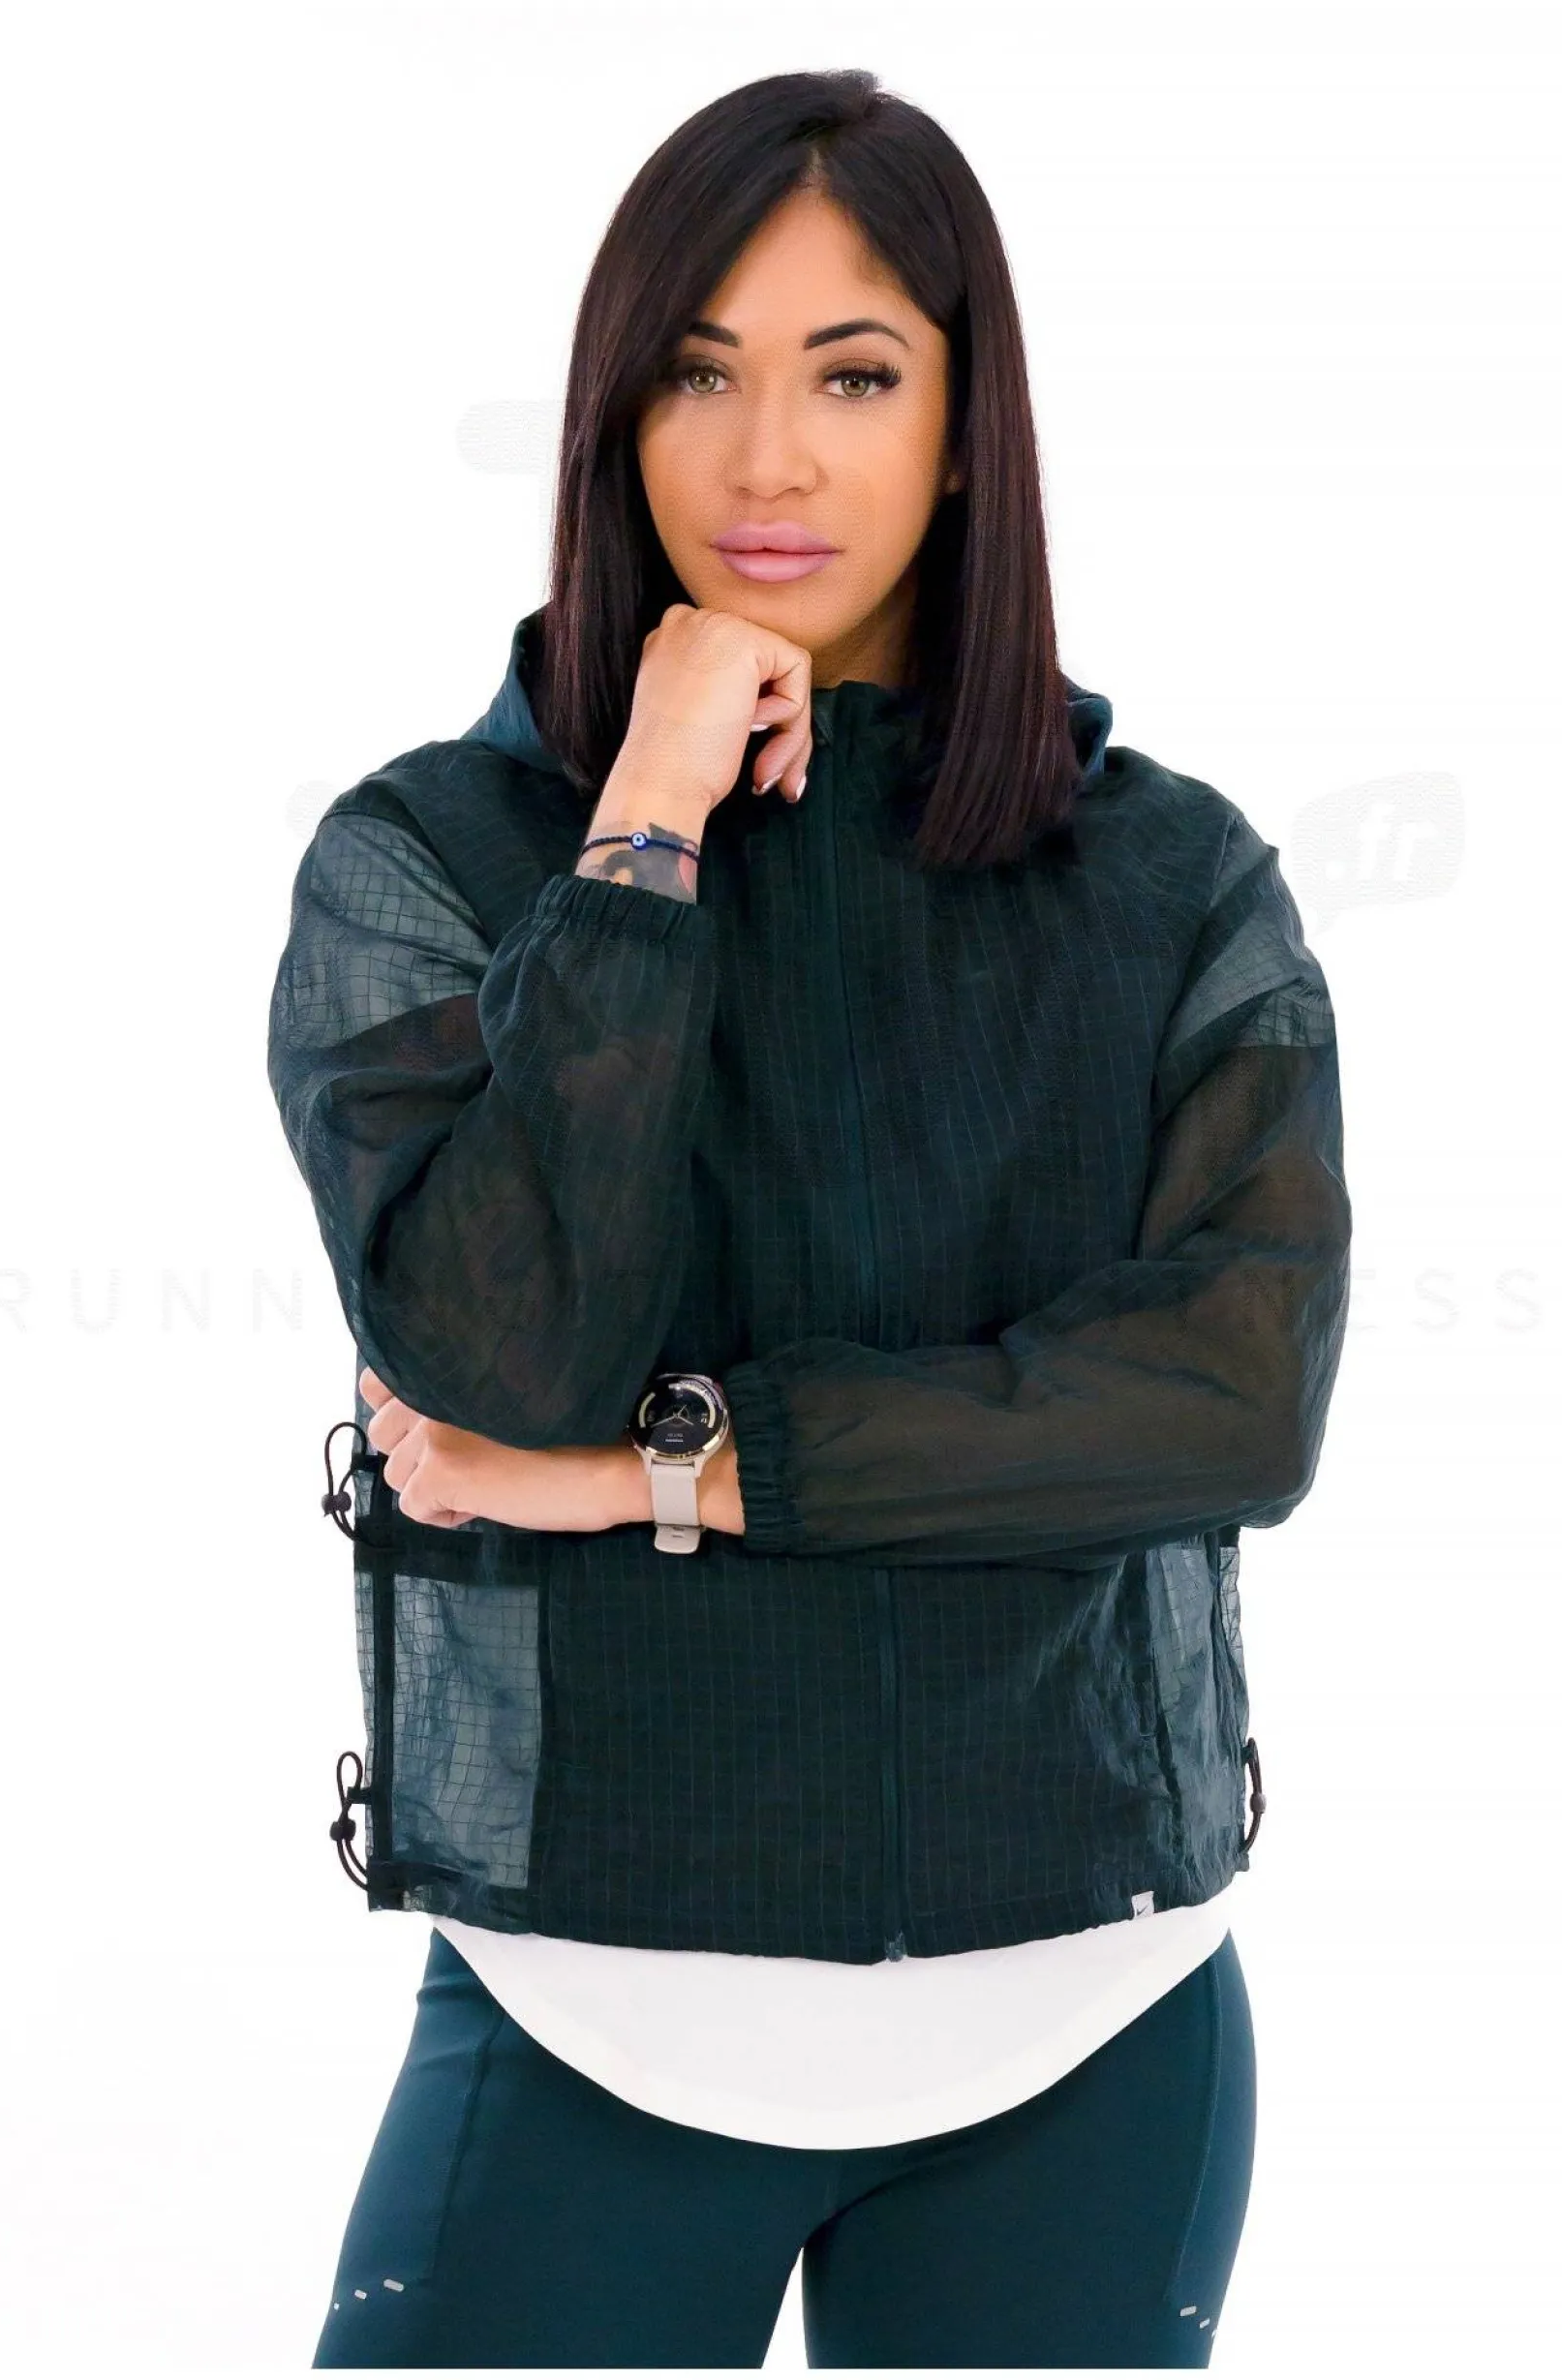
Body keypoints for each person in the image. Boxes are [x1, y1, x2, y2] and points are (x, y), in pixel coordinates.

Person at [267, 67, 1350, 2369]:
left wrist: (646, 1475)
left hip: (1093, 2017)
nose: (768, 461)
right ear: (614, 415)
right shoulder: (428, 864)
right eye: (701, 373)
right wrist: (643, 820)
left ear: (963, 431)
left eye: (853, 376)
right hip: (590, 2010)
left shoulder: (1175, 882)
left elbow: (1228, 1406)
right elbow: (494, 1355)